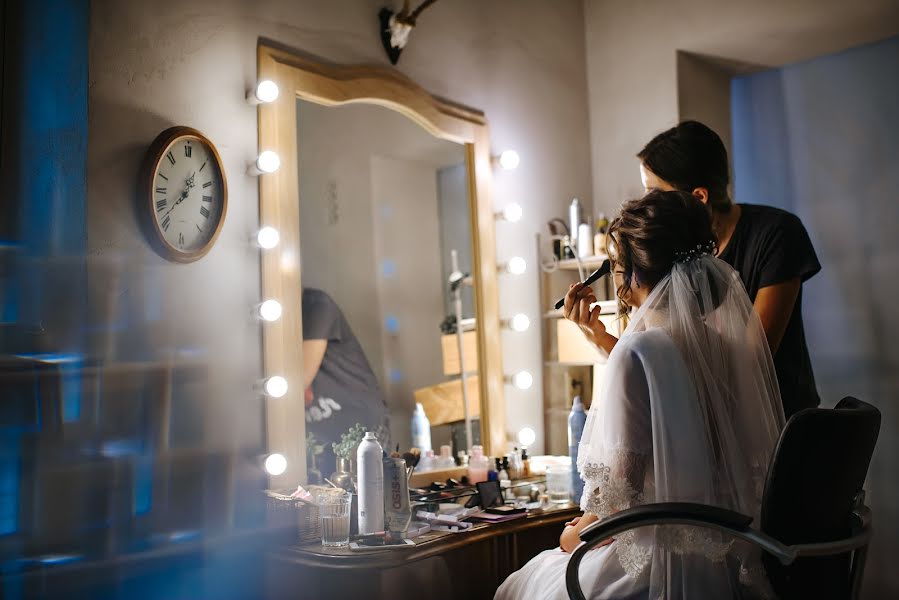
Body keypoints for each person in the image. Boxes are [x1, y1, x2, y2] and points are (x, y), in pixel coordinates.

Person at [495, 191, 785, 600]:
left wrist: (574, 533)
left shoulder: (638, 352)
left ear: (630, 274)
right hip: (722, 565)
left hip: (653, 573)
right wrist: (599, 336)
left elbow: (617, 502)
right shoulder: (726, 351)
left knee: (517, 587)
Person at [577, 121, 820, 418]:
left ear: (698, 197)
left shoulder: (777, 234)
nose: (646, 201)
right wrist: (597, 334)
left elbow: (751, 365)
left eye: (654, 191)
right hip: (709, 424)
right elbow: (649, 362)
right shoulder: (667, 252)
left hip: (779, 421)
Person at [302, 287, 388, 474]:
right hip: (320, 438)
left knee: (369, 494)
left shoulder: (315, 305)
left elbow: (300, 380)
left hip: (359, 425)